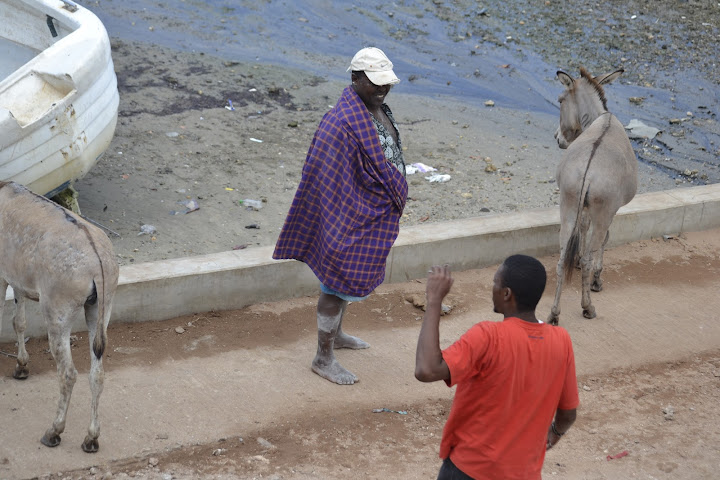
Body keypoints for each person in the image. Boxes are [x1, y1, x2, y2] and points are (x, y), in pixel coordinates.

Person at [273, 47, 408, 385]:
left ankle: (339, 334)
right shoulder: (340, 123)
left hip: (372, 212)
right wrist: (341, 225)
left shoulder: (376, 109)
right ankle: (323, 357)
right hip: (348, 220)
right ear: (355, 78)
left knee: (343, 286)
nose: (382, 89)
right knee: (335, 285)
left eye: (386, 83)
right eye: (375, 83)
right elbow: (325, 178)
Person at [415, 256, 579, 479]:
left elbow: (427, 369)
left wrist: (434, 300)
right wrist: (555, 433)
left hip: (469, 469)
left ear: (506, 294)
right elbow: (568, 413)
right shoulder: (562, 340)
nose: (492, 288)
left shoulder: (488, 336)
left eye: (495, 283)